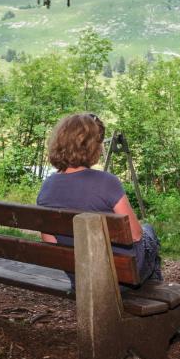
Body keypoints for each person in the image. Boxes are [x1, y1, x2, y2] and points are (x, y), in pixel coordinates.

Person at [36, 113, 163, 286]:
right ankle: (152, 295)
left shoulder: (47, 186)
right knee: (149, 231)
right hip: (120, 277)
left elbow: (49, 242)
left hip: (81, 276)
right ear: (93, 147)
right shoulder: (106, 182)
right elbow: (135, 235)